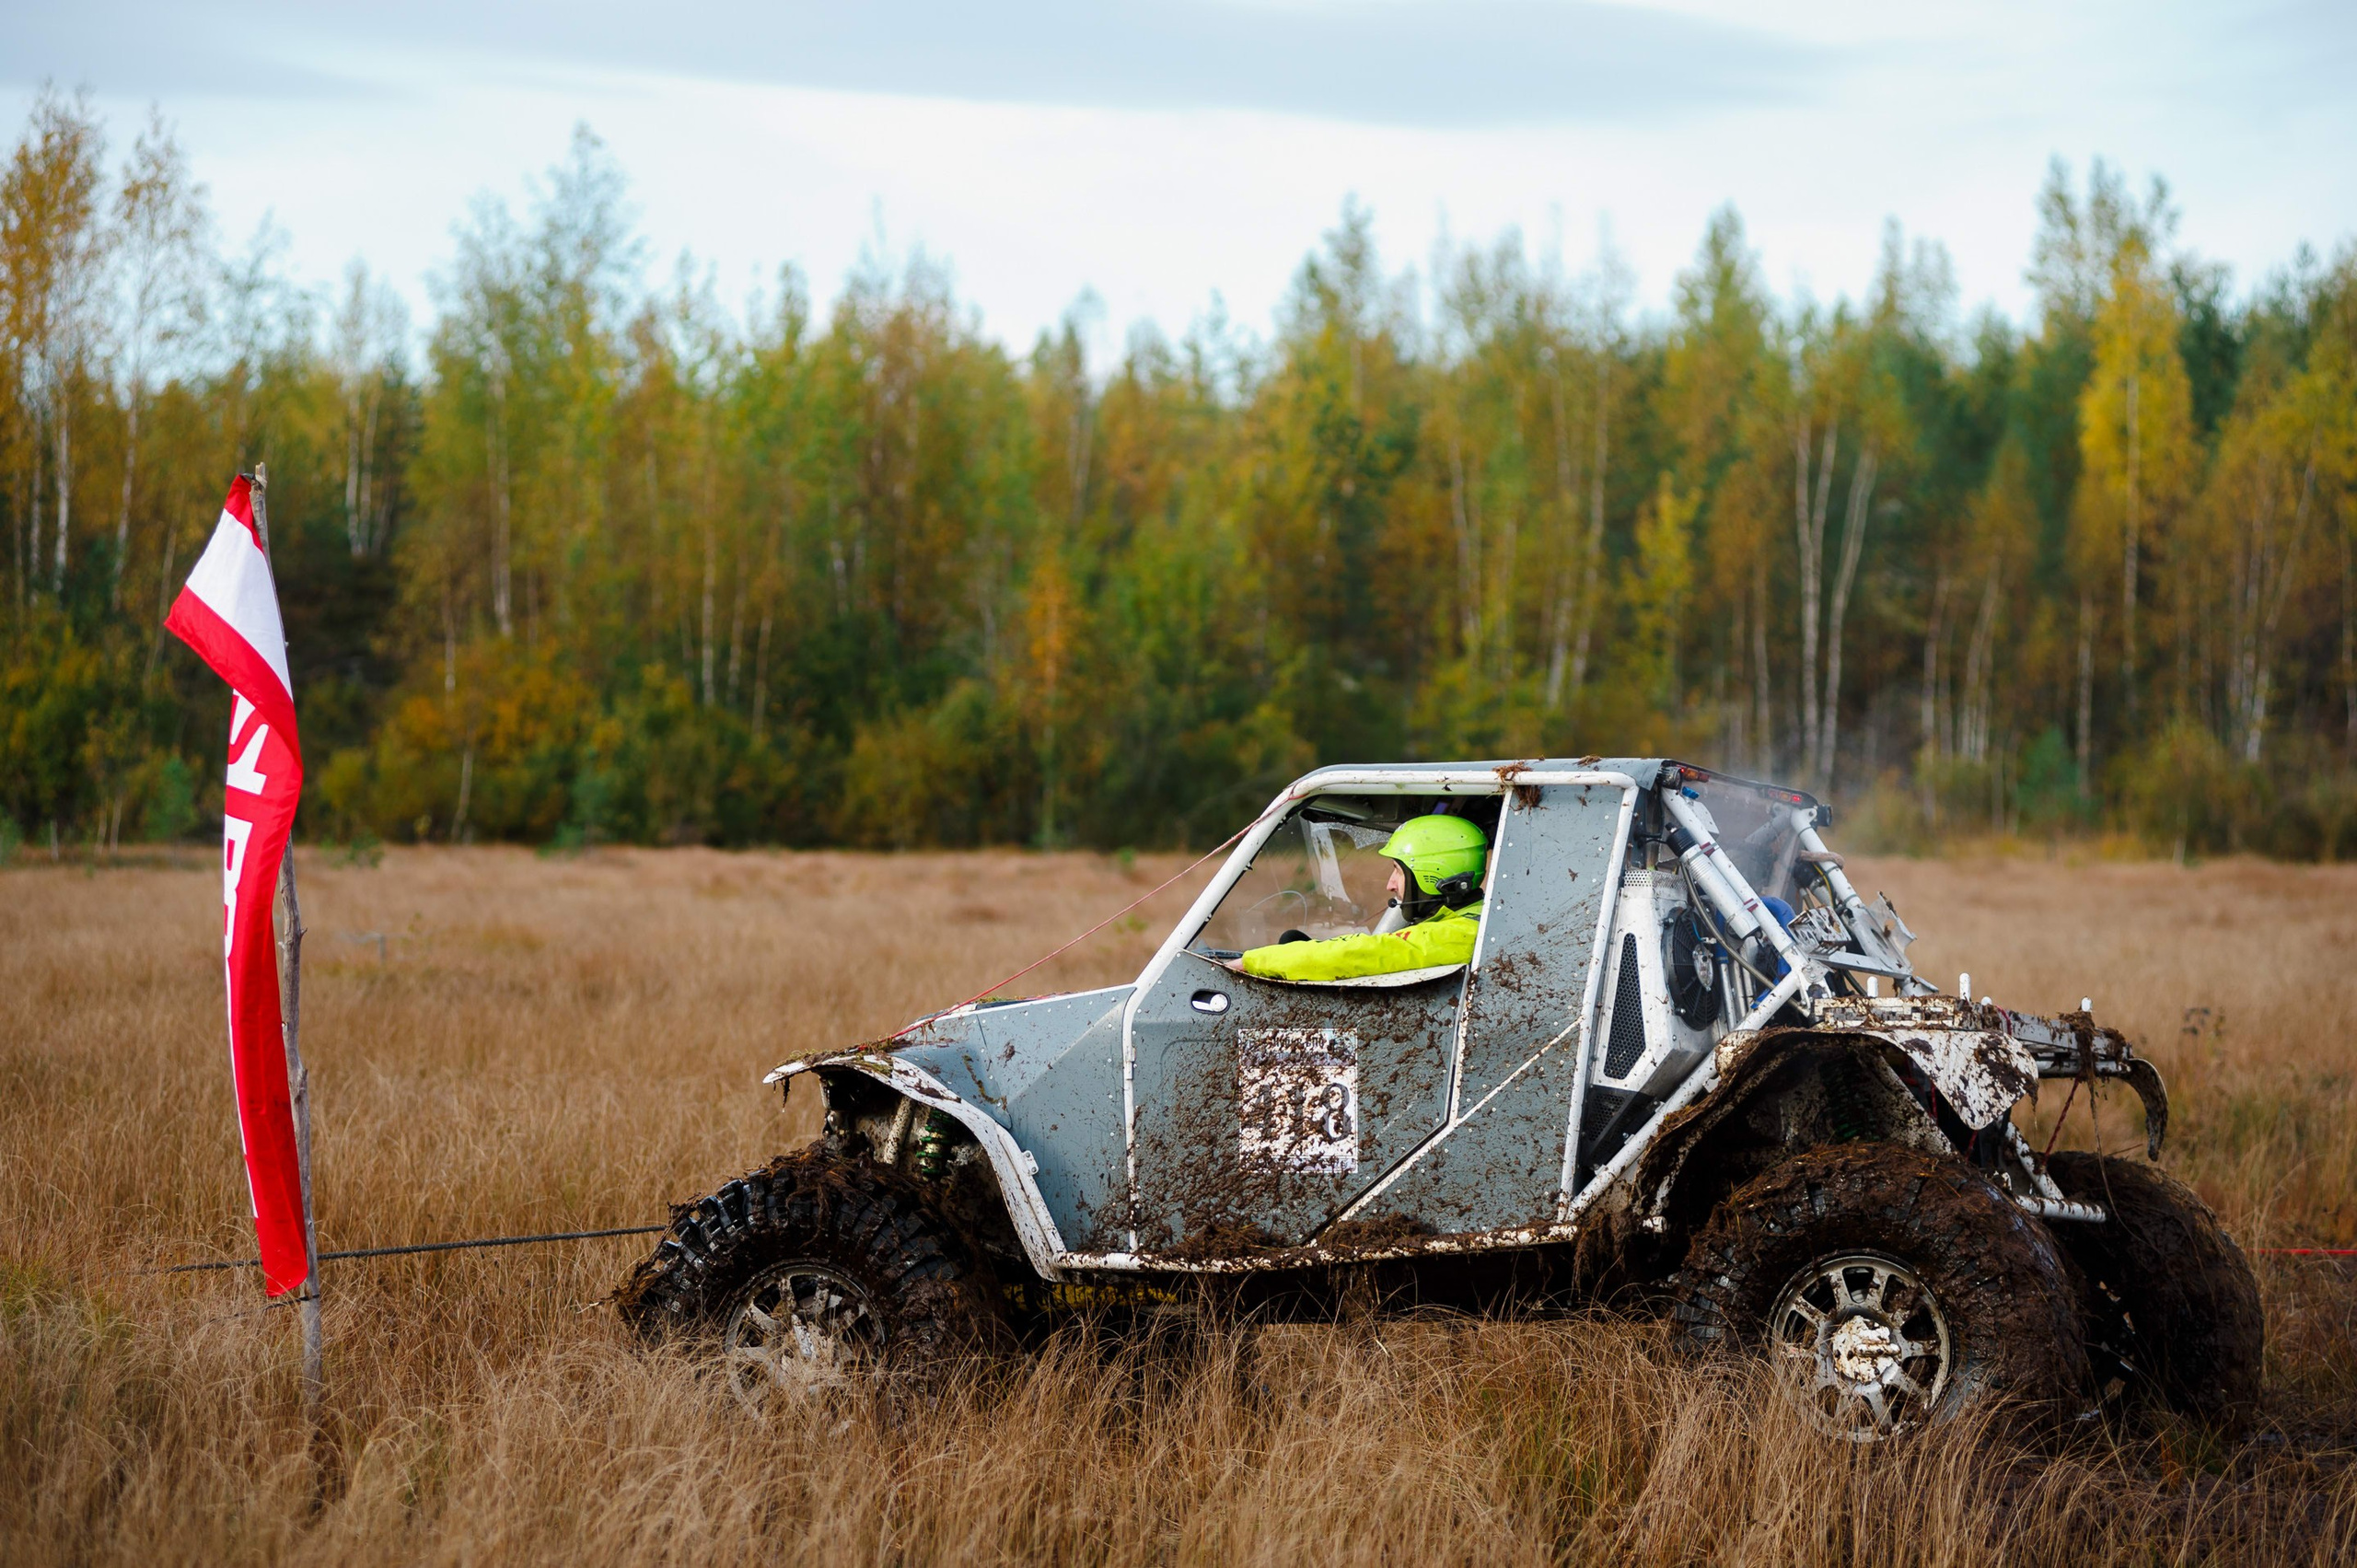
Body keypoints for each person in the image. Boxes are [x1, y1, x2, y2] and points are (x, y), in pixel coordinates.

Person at [1240, 814, 1488, 981]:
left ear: (1432, 875)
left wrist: (1252, 961)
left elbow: (1361, 954)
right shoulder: (1471, 919)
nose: (1390, 885)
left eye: (1398, 871)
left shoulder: (1460, 935)